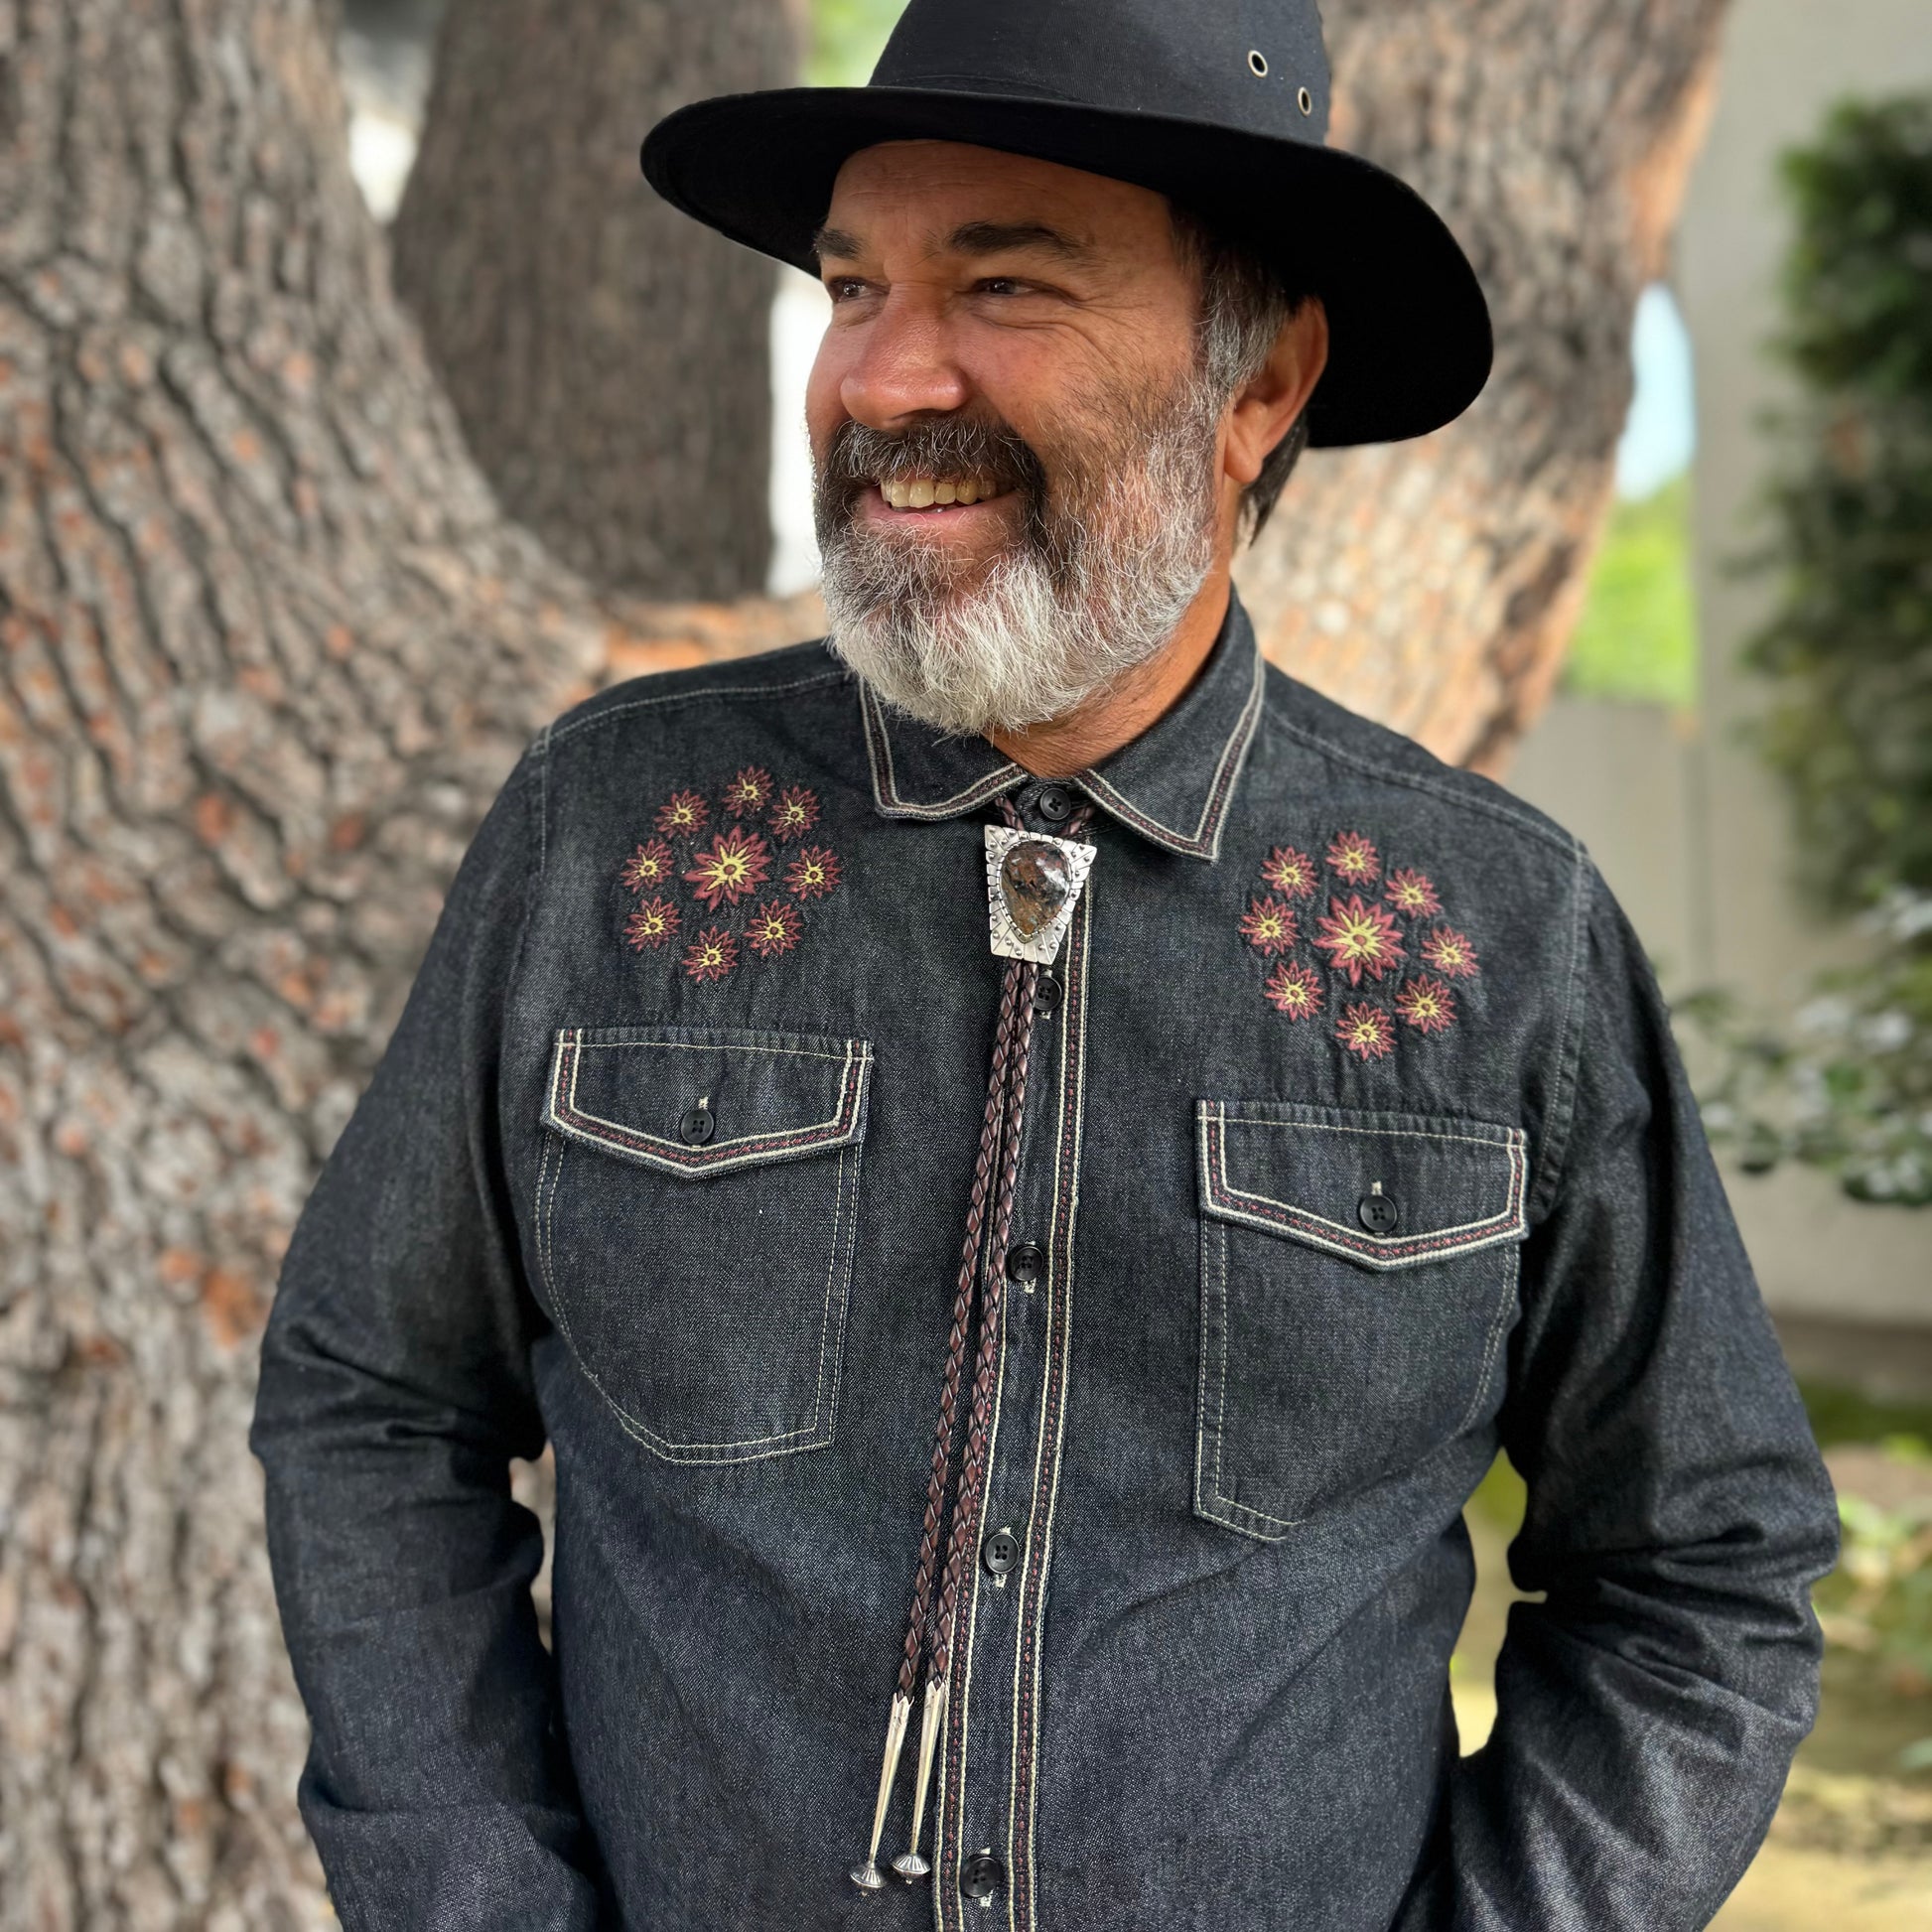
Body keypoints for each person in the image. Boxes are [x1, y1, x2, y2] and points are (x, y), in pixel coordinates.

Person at [250, 1, 1839, 1926]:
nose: (882, 373)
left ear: (1257, 384)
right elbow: (371, 1395)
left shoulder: (1490, 931)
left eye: (1002, 284)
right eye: (855, 285)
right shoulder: (612, 836)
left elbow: (1705, 1565)